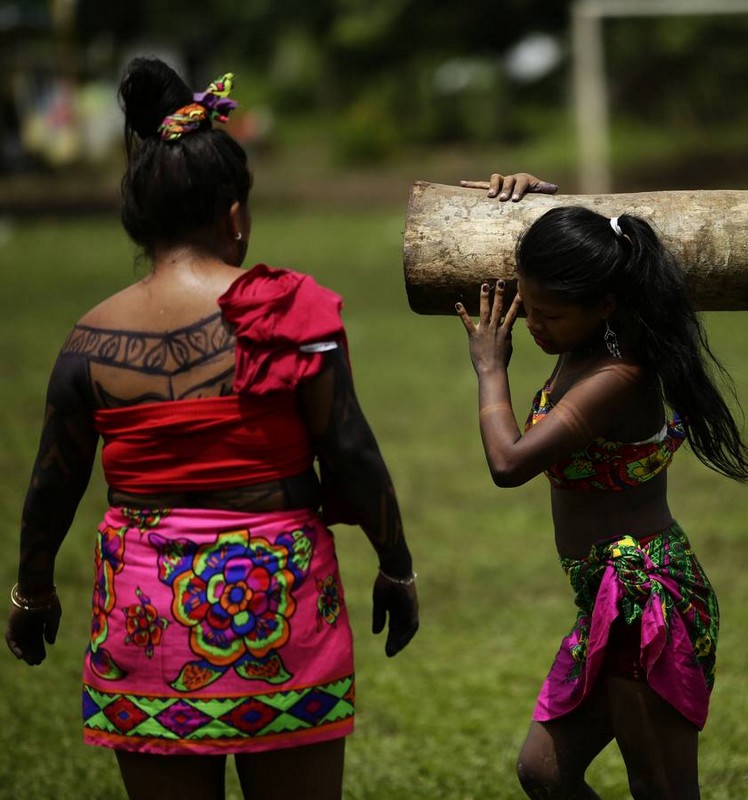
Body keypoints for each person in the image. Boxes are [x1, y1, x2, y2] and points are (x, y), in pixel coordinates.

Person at [3, 56, 550, 800]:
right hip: (278, 608)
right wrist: (396, 565)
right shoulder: (289, 316)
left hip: (146, 622)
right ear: (235, 216)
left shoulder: (88, 342)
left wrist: (34, 593)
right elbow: (350, 450)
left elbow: (51, 486)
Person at [455, 205, 748, 799]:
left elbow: (510, 463)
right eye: (530, 309)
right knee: (544, 772)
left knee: (660, 787)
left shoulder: (619, 375)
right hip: (606, 599)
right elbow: (596, 232)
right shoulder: (582, 341)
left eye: (551, 315)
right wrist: (527, 197)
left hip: (646, 599)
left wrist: (490, 369)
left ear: (604, 305)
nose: (535, 326)